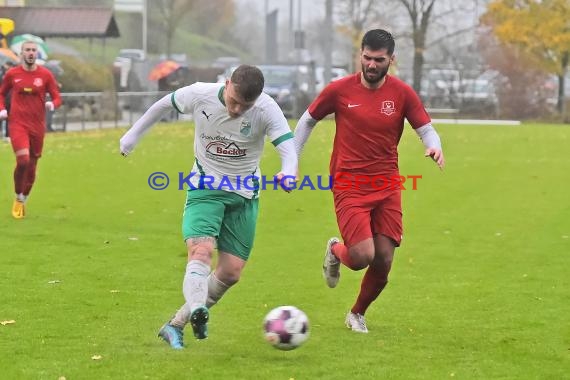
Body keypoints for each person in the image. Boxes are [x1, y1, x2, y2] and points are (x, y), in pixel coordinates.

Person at [119, 64, 297, 349]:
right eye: (234, 101)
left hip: (244, 195)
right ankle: (198, 306)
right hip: (206, 187)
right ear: (227, 84)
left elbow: (287, 147)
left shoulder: (266, 108)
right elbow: (164, 103)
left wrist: (289, 171)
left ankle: (175, 324)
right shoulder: (199, 94)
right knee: (200, 251)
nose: (237, 109)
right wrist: (132, 136)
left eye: (245, 105)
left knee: (230, 273)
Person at [293, 29, 445, 333]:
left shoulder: (401, 93)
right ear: (359, 55)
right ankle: (336, 249)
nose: (372, 65)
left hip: (387, 184)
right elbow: (308, 119)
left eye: (379, 59)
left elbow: (425, 128)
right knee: (362, 256)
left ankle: (356, 314)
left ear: (391, 59)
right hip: (349, 183)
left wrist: (435, 145)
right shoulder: (339, 90)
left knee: (384, 259)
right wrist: (292, 160)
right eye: (367, 58)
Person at [0, 41, 62, 219]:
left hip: (37, 126)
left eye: (33, 50)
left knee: (33, 165)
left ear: (37, 54)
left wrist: (52, 104)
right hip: (17, 123)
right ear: (22, 53)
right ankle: (18, 195)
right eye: (27, 50)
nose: (31, 53)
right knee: (23, 160)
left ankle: (24, 197)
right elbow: (1, 93)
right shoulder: (13, 74)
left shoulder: (45, 75)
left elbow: (57, 97)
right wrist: (2, 109)